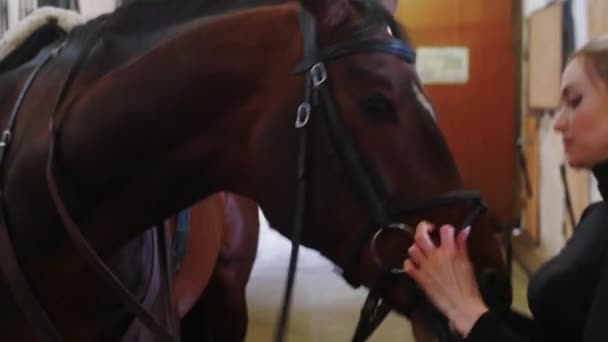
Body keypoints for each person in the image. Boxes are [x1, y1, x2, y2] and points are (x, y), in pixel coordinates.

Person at [404, 33, 608, 342]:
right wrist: (462, 297)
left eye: (575, 101)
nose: (558, 123)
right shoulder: (598, 215)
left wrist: (469, 312)